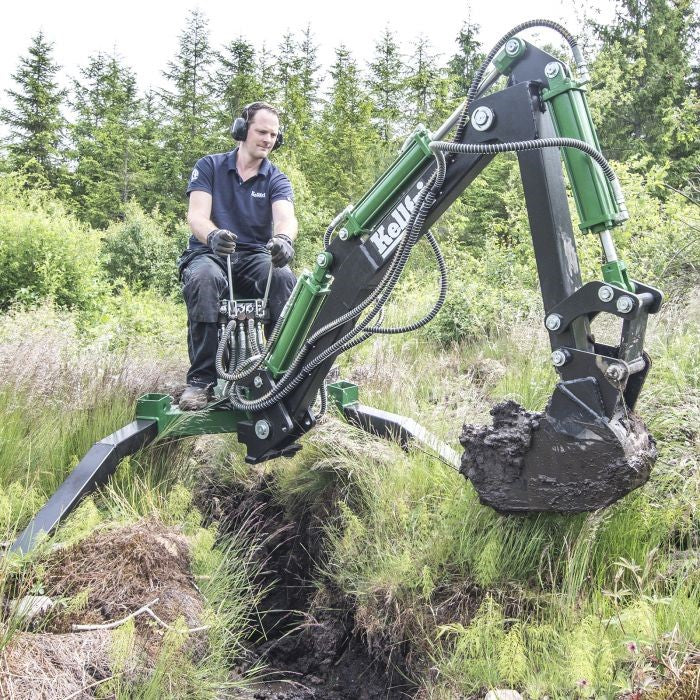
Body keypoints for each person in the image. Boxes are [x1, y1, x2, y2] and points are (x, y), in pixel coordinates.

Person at [177, 102, 298, 411]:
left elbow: (286, 217)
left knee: (284, 278)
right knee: (204, 278)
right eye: (261, 131)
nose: (268, 139)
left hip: (254, 256)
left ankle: (280, 372)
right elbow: (197, 216)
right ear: (242, 130)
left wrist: (283, 239)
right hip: (210, 253)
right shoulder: (209, 167)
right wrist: (214, 235)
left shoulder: (276, 178)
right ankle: (201, 382)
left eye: (274, 134)